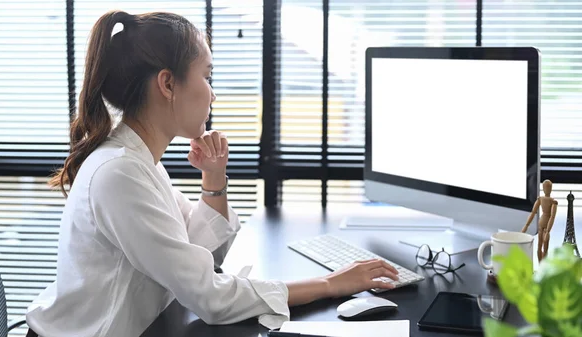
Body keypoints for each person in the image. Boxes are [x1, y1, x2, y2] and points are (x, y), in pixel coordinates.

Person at [24, 10, 400, 337]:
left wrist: (214, 179)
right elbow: (209, 296)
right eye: (207, 76)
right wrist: (331, 284)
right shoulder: (119, 173)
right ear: (168, 84)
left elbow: (196, 253)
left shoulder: (139, 162)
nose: (213, 95)